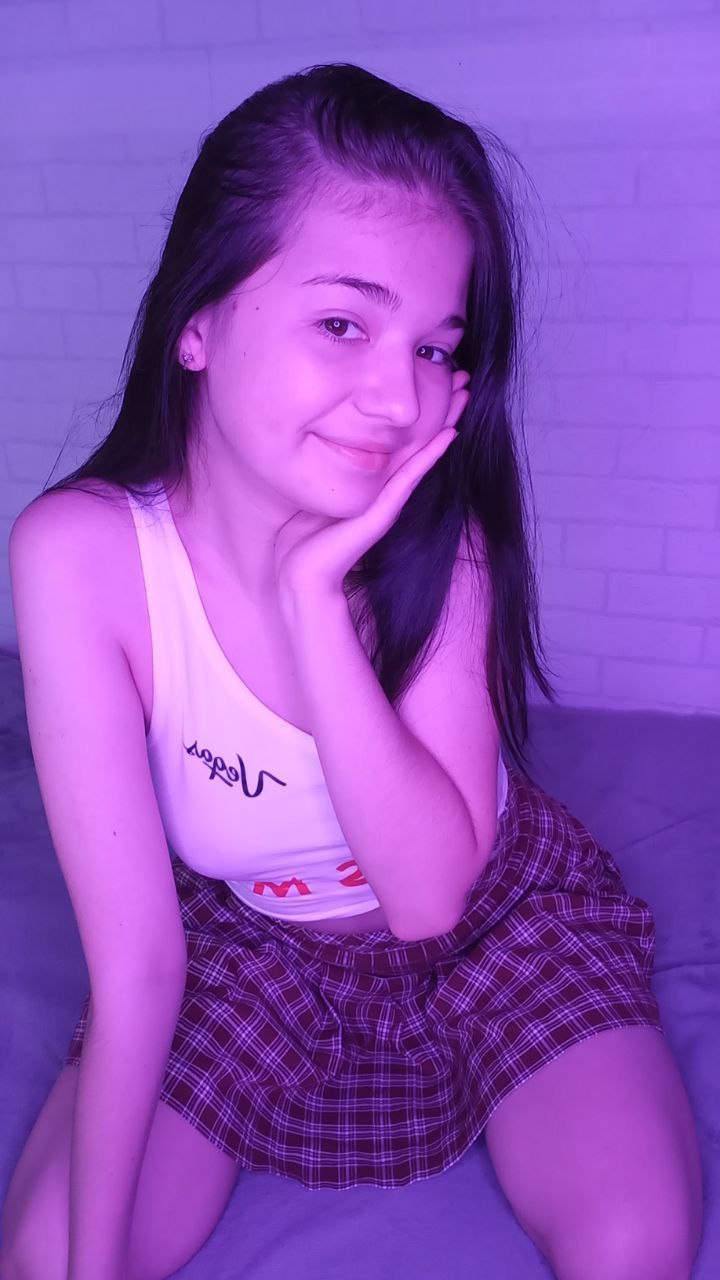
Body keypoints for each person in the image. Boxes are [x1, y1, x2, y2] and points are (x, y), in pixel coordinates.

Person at [3, 62, 703, 1280]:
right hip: (249, 942)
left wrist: (313, 601)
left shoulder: (444, 547)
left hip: (494, 918)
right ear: (198, 321)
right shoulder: (82, 555)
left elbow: (432, 899)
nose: (398, 395)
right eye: (343, 323)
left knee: (636, 1243)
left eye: (436, 345)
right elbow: (139, 963)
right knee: (50, 1256)